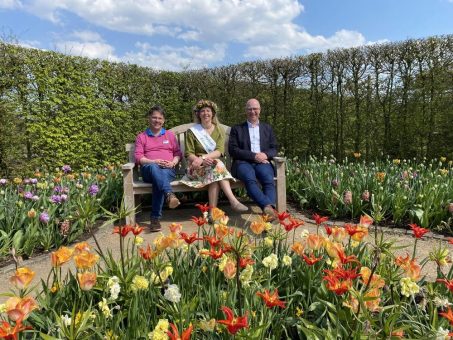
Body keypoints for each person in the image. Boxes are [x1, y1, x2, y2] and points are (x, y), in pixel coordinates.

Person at [180, 99, 248, 218]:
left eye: (208, 111)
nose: (206, 113)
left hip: (213, 167)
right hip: (197, 168)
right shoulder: (192, 131)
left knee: (215, 172)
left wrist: (204, 157)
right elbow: (189, 153)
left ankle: (212, 212)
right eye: (202, 111)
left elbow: (219, 151)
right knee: (217, 168)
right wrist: (200, 160)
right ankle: (233, 201)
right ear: (198, 114)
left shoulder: (219, 130)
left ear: (213, 113)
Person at [228, 98, 278, 220]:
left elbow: (274, 148)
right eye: (249, 109)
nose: (252, 111)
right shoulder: (237, 129)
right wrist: (254, 156)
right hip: (243, 162)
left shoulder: (267, 128)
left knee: (268, 179)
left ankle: (268, 212)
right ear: (246, 111)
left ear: (259, 110)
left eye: (255, 109)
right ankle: (268, 207)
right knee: (250, 179)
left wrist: (265, 155)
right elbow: (233, 150)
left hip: (263, 162)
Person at [134, 105, 182, 231]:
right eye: (154, 117)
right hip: (148, 170)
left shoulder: (170, 135)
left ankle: (155, 220)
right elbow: (139, 158)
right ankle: (169, 194)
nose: (157, 120)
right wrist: (153, 161)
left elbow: (178, 154)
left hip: (168, 170)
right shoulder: (142, 137)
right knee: (155, 169)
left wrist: (173, 162)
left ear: (163, 120)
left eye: (160, 118)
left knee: (158, 180)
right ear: (149, 119)